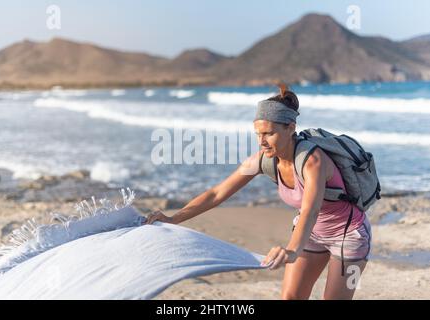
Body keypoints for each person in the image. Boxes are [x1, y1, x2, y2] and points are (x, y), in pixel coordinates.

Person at [144, 85, 372, 300]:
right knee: (290, 297)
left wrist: (292, 250)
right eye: (258, 134)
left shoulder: (312, 161)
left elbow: (310, 210)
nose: (261, 141)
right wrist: (173, 218)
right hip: (312, 235)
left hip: (350, 236)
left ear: (290, 128)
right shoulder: (263, 160)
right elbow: (217, 193)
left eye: (269, 133)